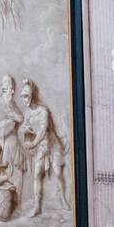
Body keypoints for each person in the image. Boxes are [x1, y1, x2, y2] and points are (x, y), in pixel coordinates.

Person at [18, 79, 67, 217]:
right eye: (22, 96)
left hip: (51, 144)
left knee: (58, 173)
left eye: (26, 95)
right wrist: (25, 129)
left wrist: (33, 143)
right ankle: (37, 206)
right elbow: (24, 129)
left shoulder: (43, 110)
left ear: (33, 95)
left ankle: (63, 199)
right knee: (37, 174)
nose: (24, 99)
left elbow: (43, 130)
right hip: (40, 146)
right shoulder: (27, 113)